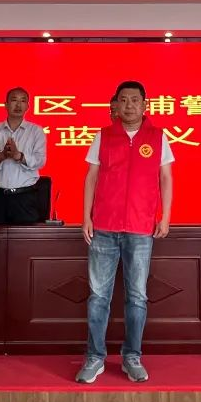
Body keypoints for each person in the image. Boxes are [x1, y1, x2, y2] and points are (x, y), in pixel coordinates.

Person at [76, 81, 173, 384]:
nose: (129, 105)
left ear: (145, 105)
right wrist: (86, 217)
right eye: (123, 100)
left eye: (134, 100)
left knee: (137, 297)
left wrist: (166, 216)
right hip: (104, 227)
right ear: (115, 105)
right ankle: (95, 357)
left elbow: (166, 178)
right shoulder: (103, 136)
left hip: (140, 228)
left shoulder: (158, 137)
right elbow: (91, 177)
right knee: (98, 297)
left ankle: (132, 356)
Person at [0, 87, 48, 224]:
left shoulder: (36, 131)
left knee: (26, 237)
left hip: (25, 198)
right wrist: (2, 156)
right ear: (6, 104)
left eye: (23, 101)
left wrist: (19, 156)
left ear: (28, 106)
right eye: (14, 100)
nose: (18, 105)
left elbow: (40, 160)